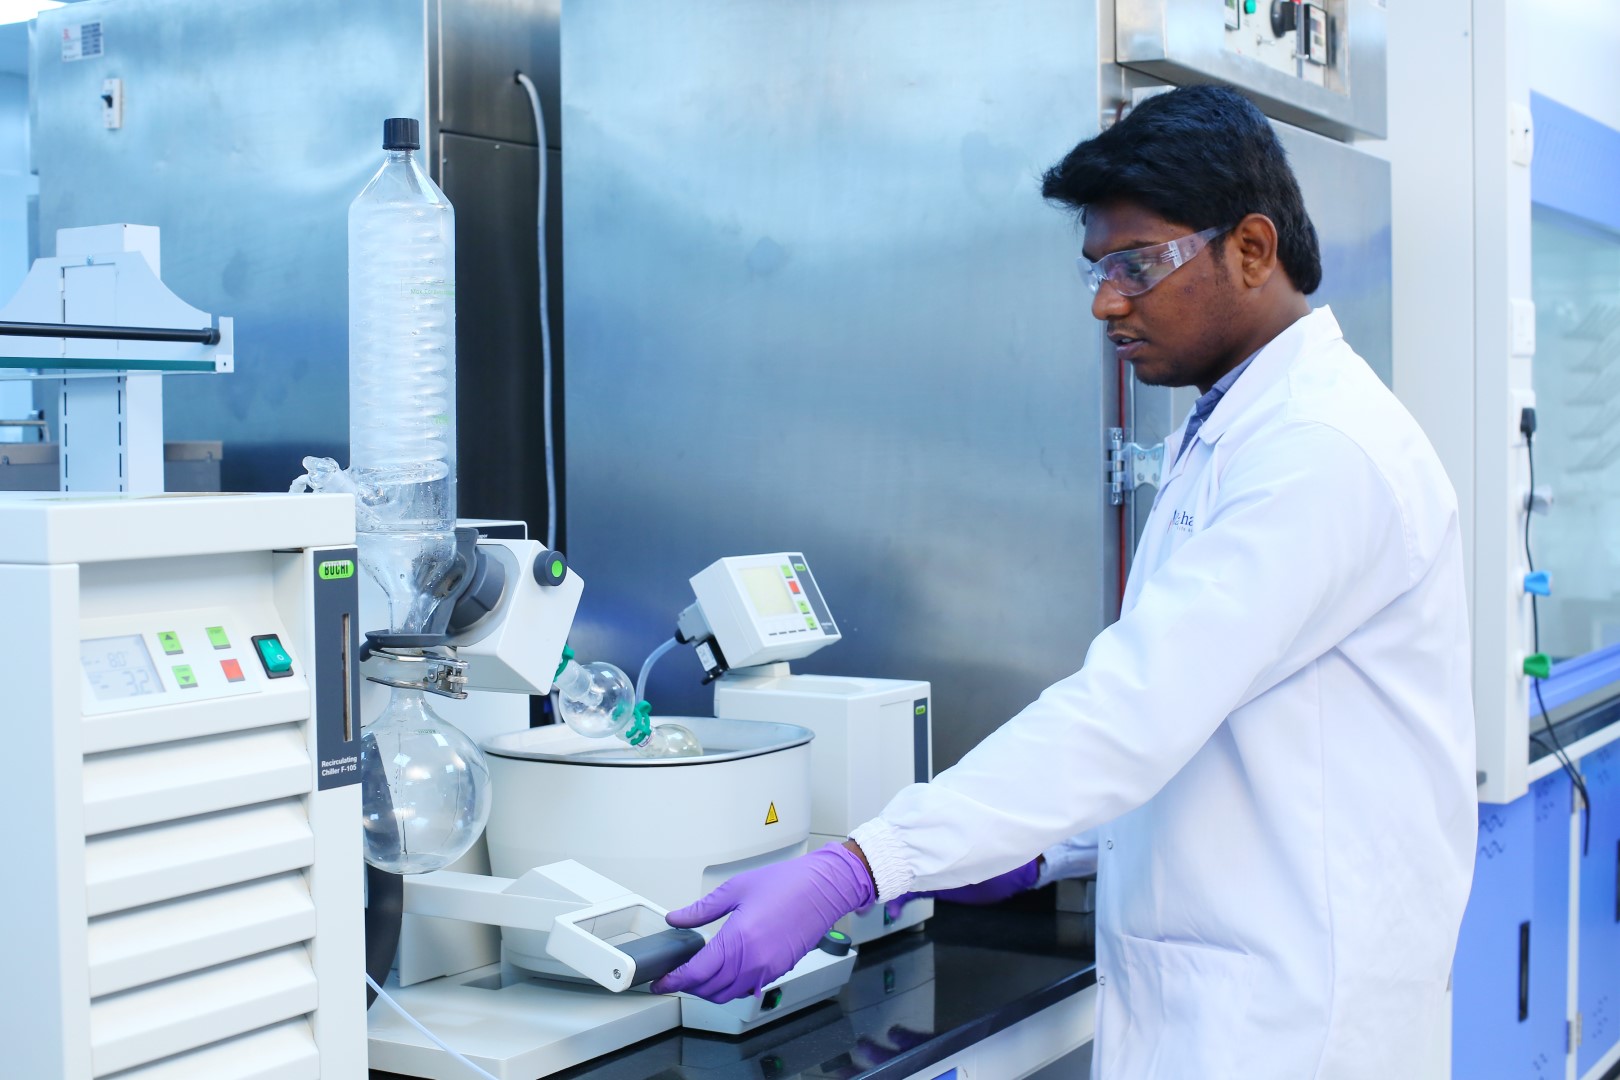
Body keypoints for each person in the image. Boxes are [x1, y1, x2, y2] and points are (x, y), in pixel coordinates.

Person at [651, 84, 1477, 1078]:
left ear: (1252, 250)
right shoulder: (1232, 429)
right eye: (1095, 269)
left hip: (1299, 1025)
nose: (1105, 302)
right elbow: (1222, 737)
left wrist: (861, 866)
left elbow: (1134, 709)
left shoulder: (1321, 450)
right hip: (1231, 1004)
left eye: (1137, 264)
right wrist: (1046, 850)